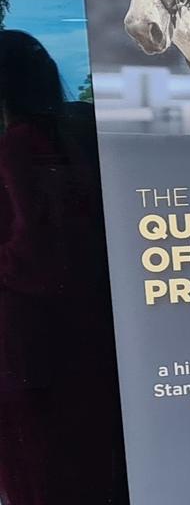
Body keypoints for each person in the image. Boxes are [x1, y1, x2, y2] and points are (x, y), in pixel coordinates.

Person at [0, 31, 127, 504]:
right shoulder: (72, 136)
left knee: (43, 466)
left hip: (34, 341)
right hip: (81, 333)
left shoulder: (22, 144)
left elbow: (36, 254)